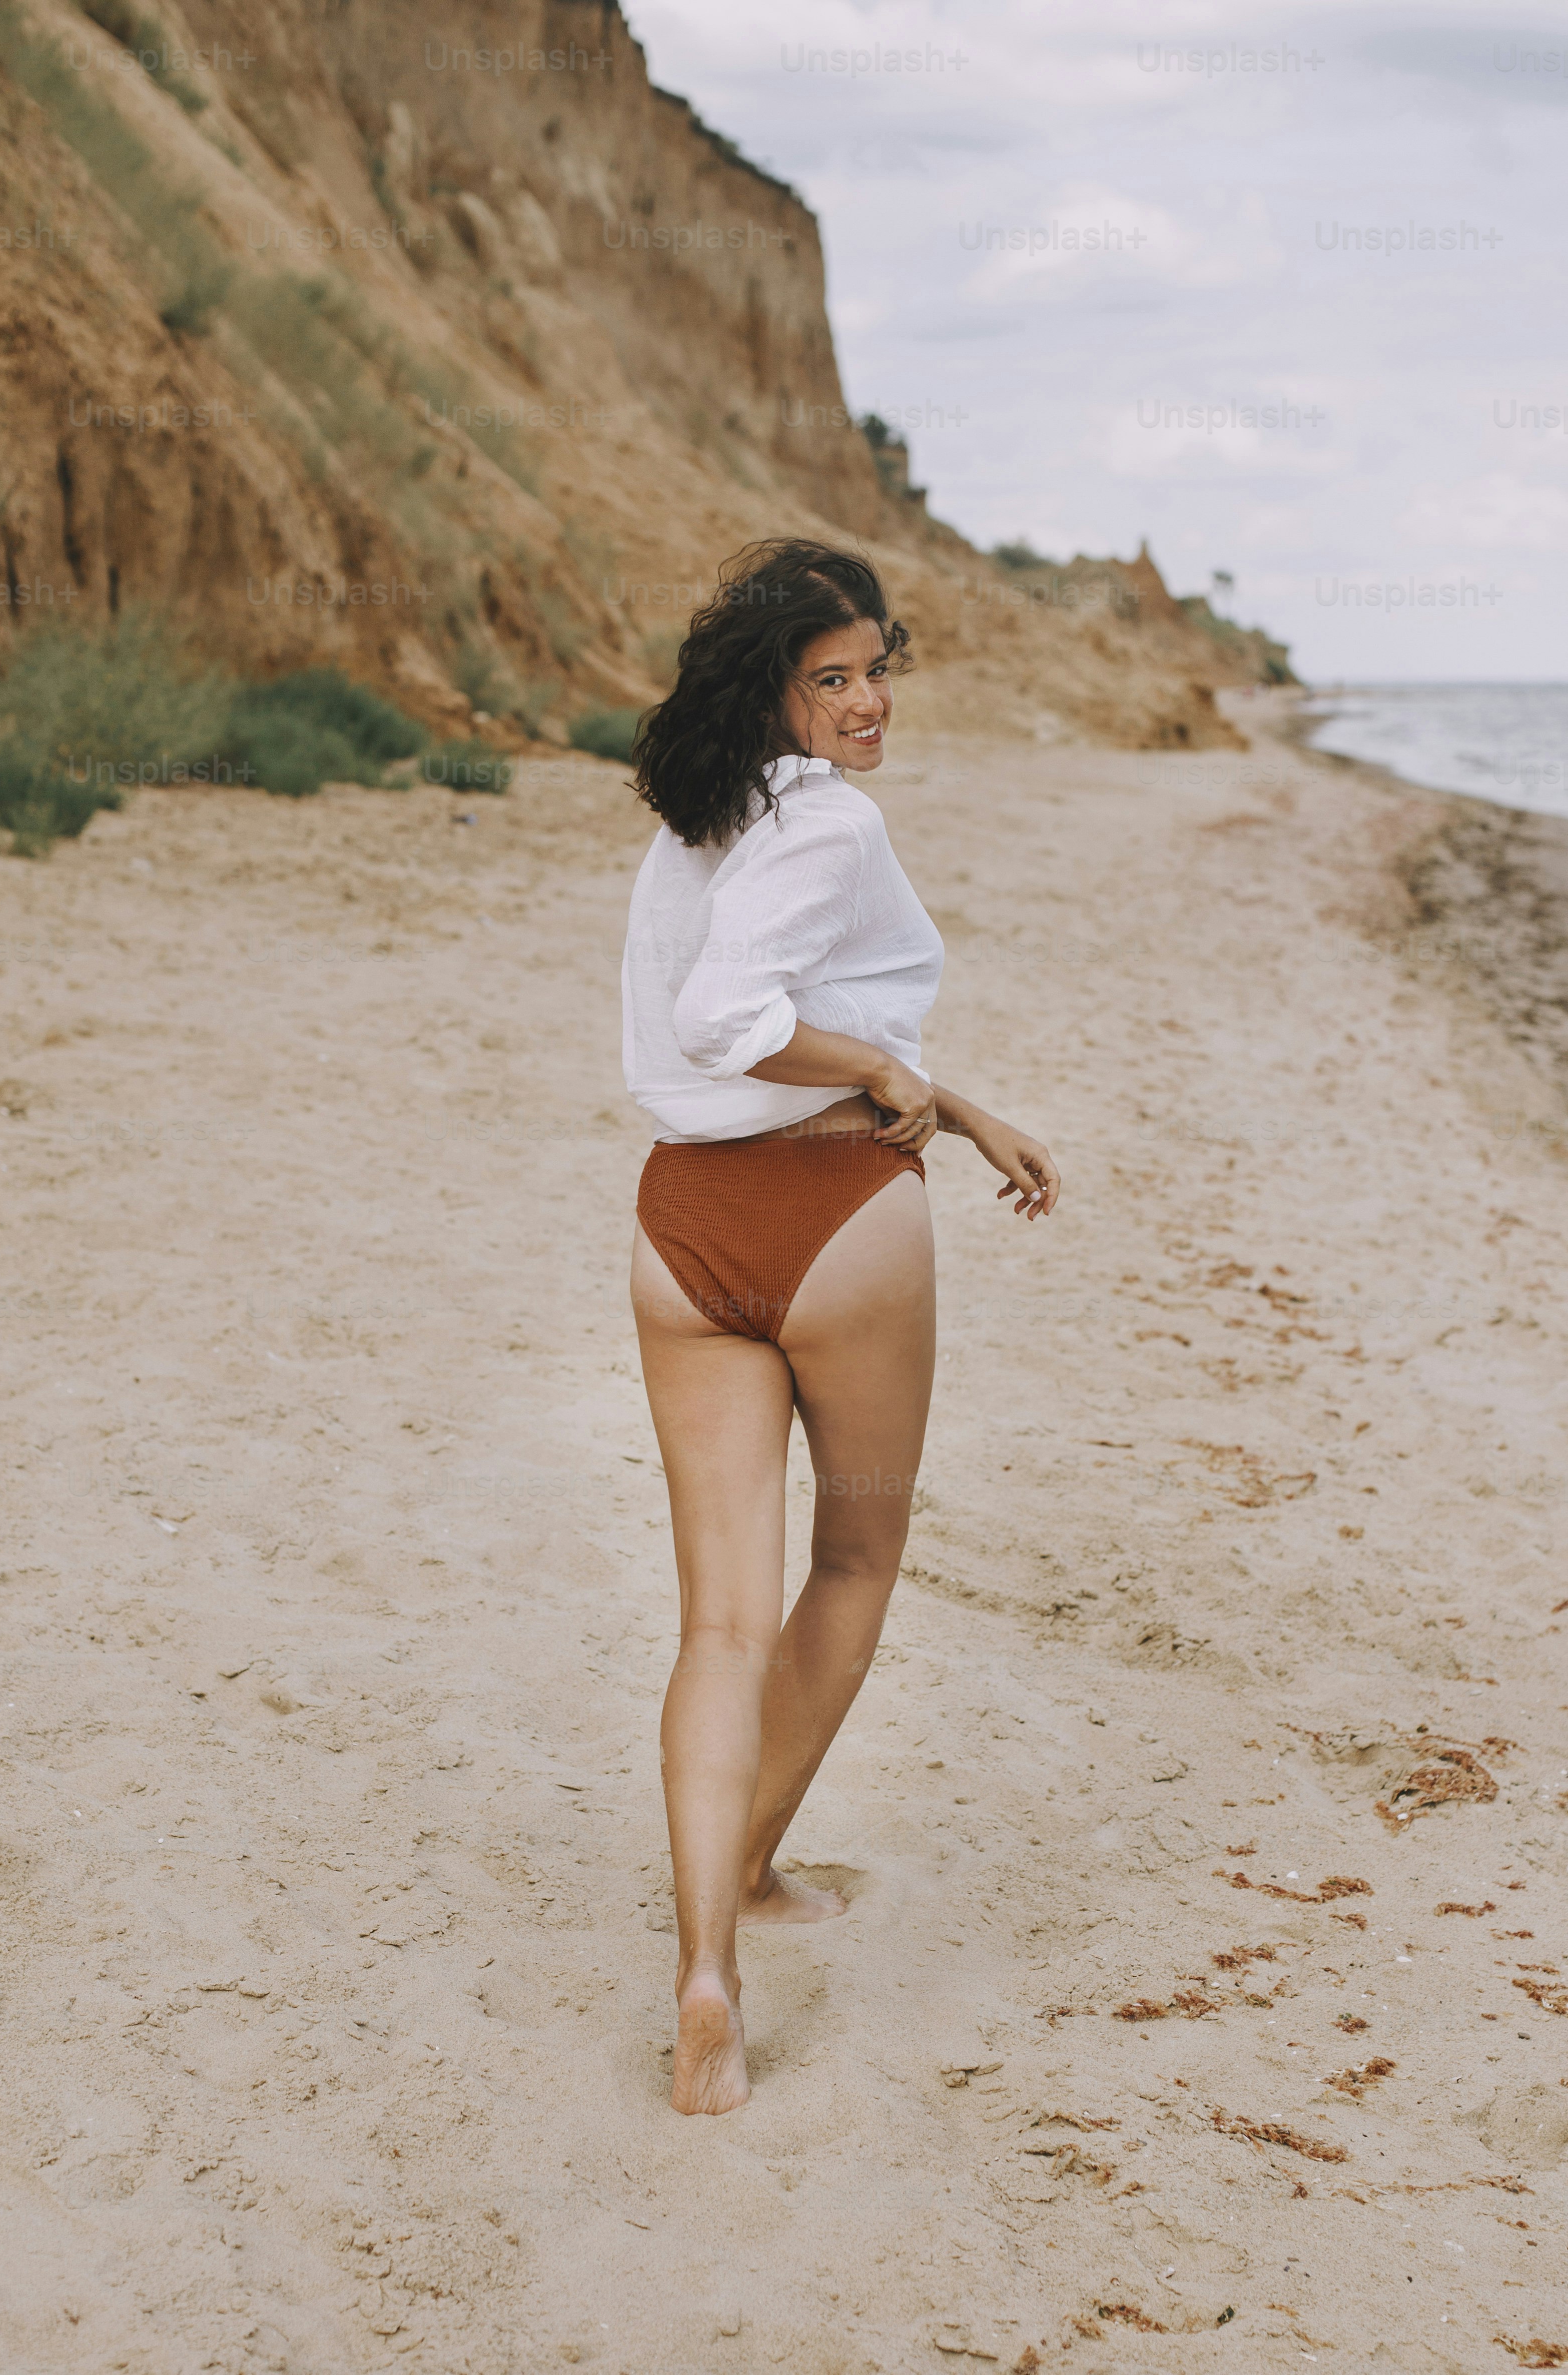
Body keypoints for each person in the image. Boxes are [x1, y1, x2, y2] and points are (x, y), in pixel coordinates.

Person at [622, 539, 1061, 2115]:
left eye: (879, 666)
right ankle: (746, 1871)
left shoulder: (702, 817)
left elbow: (784, 1027)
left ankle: (706, 1970)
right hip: (832, 1224)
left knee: (717, 1624)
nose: (870, 700)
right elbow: (735, 1022)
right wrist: (888, 1087)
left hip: (686, 1230)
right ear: (778, 687)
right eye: (835, 676)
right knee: (857, 1561)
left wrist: (962, 1105)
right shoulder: (833, 818)